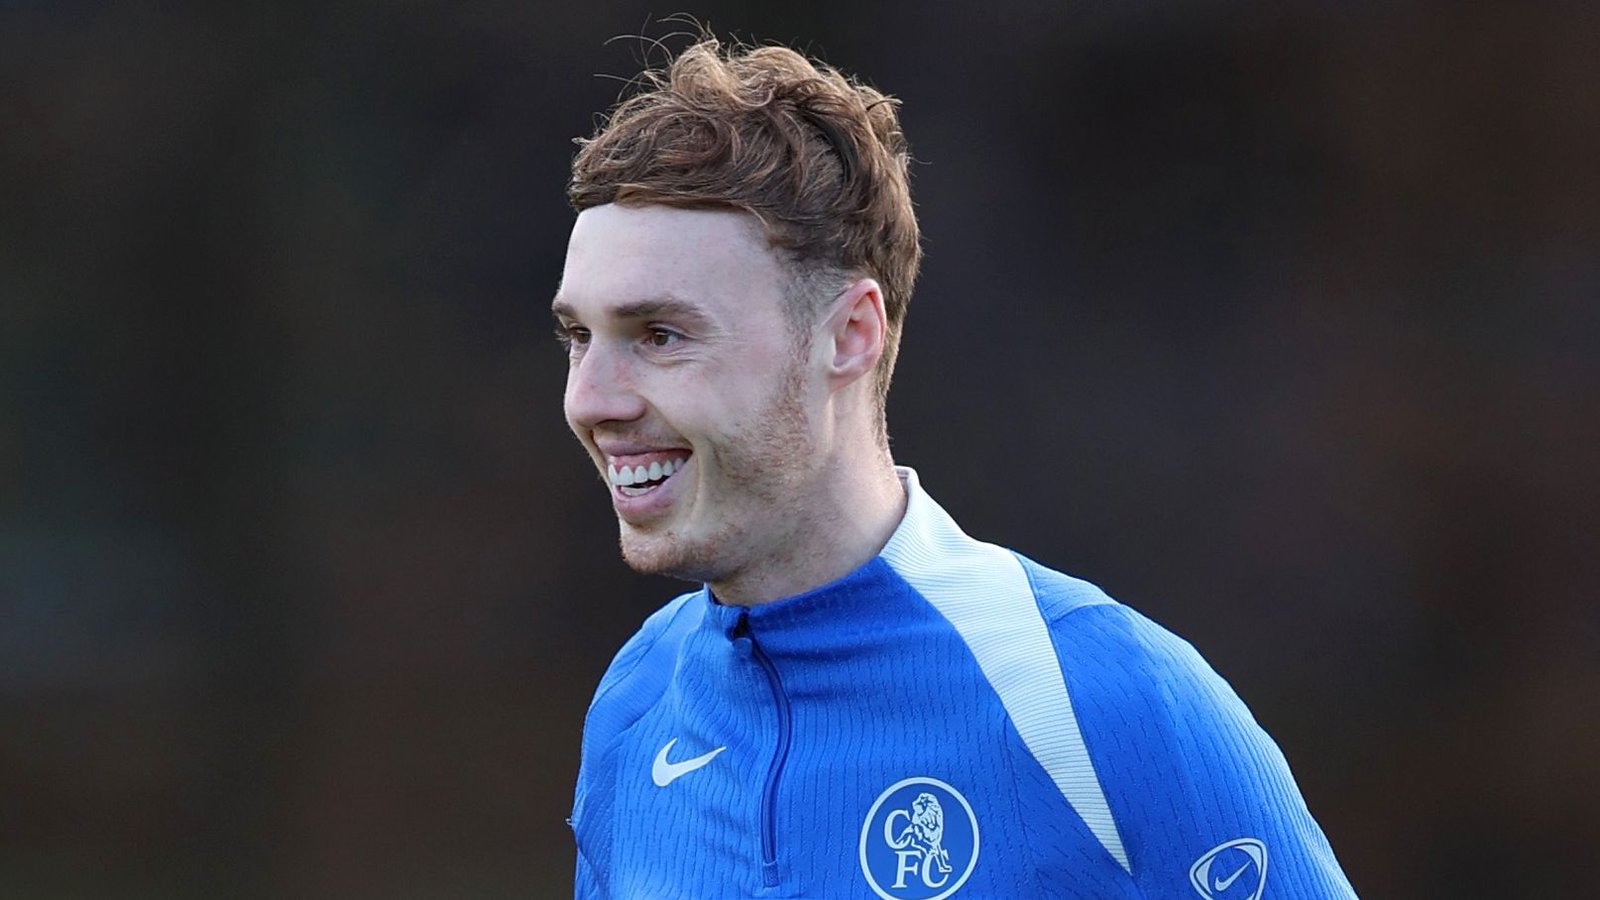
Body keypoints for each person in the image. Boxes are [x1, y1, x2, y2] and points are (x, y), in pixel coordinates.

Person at [554, 35, 1357, 899]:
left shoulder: (1101, 700)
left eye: (660, 335)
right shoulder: (638, 705)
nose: (590, 400)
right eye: (578, 338)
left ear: (849, 335)